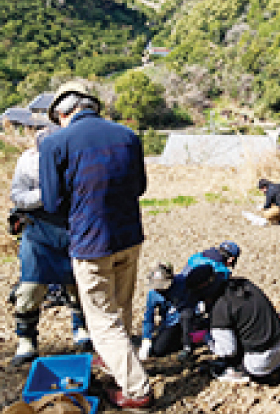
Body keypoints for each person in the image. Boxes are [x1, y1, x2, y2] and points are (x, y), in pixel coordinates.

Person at [39, 81, 150, 410]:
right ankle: (112, 357)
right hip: (130, 236)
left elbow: (51, 202)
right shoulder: (128, 136)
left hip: (91, 242)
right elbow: (140, 187)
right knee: (122, 304)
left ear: (62, 111)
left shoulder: (54, 143)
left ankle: (135, 389)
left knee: (101, 319)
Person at [9, 126, 91, 366]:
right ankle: (26, 340)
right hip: (38, 229)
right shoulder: (27, 161)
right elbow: (18, 194)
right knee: (30, 287)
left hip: (72, 228)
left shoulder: (78, 159)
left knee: (78, 283)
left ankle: (82, 329)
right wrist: (45, 195)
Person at [207, 277, 280, 383]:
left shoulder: (220, 309)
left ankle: (240, 374)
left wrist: (209, 342)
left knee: (224, 363)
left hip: (261, 364)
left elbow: (228, 350)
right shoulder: (244, 284)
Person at [139, 263, 224, 361]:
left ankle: (188, 345)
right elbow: (149, 318)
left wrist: (200, 304)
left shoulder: (183, 282)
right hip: (171, 324)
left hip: (189, 317)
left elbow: (198, 291)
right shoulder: (152, 295)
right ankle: (185, 339)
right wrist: (146, 339)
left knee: (186, 315)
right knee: (159, 350)